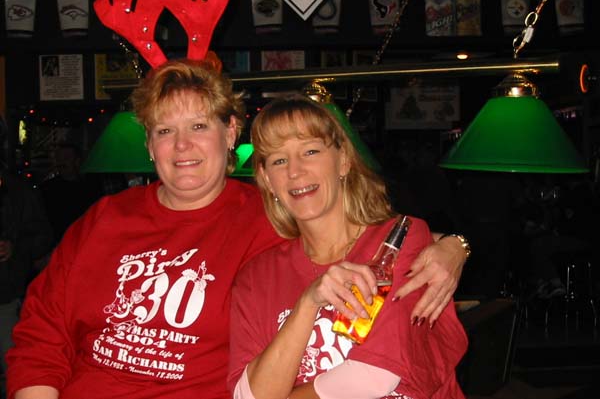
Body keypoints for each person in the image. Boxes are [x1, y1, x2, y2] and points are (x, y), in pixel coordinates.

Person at [6, 59, 467, 399]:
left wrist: (453, 246)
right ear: (148, 144)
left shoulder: (269, 217)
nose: (182, 145)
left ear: (230, 134)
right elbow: (42, 337)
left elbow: (354, 234)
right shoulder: (104, 219)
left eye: (199, 125)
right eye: (164, 131)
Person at [228, 95, 467, 399]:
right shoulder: (256, 277)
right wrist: (308, 303)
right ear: (266, 179)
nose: (295, 171)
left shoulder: (398, 238)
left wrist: (458, 244)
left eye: (310, 151)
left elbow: (374, 376)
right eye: (278, 160)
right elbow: (247, 396)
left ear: (343, 161)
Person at [0, 167, 54, 398]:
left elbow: (42, 237)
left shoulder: (18, 191)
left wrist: (15, 246)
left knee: (13, 367)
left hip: (5, 295)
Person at [39, 143, 104, 246]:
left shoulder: (90, 187)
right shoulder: (47, 189)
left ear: (77, 161)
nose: (61, 162)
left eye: (66, 158)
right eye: (59, 158)